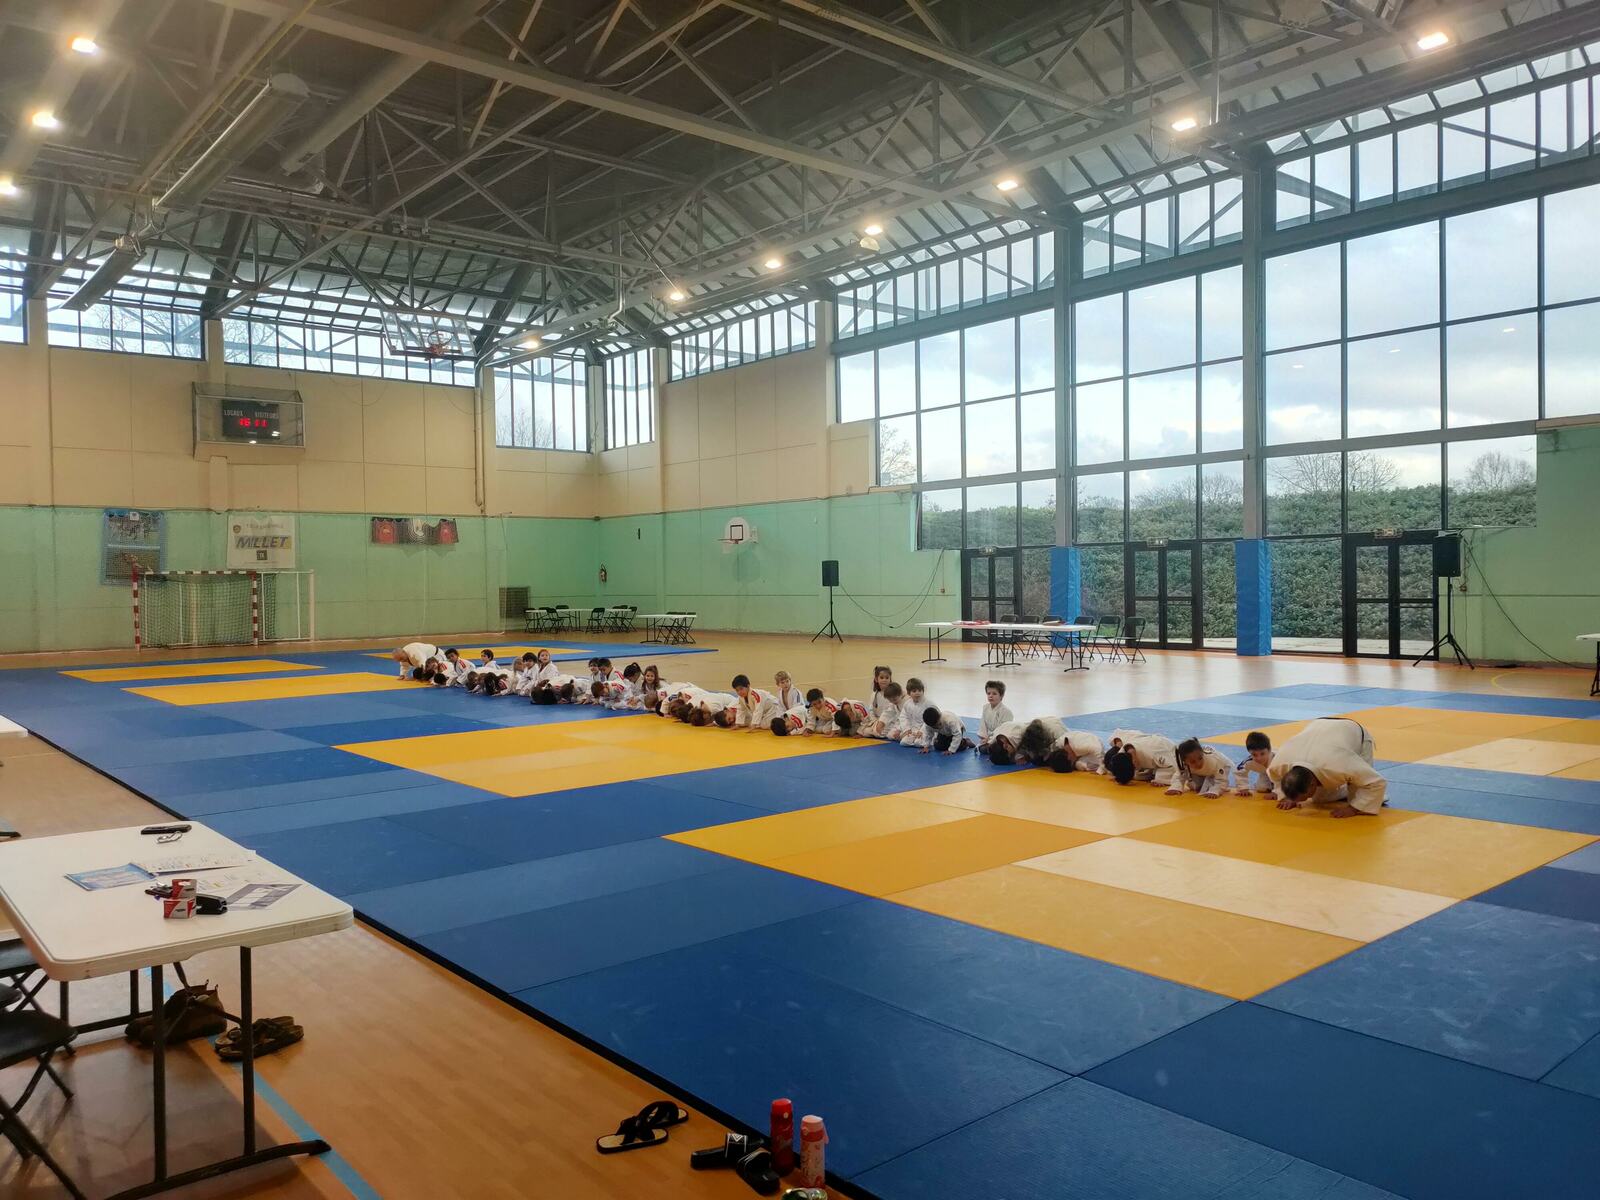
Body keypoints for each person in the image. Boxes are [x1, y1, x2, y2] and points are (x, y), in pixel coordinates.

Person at [1268, 718, 1386, 817]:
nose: (1303, 801)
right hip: (1319, 726)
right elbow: (1275, 777)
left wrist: (1353, 809)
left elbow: (1375, 782)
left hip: (1352, 731)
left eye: (1306, 796)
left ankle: (1350, 789)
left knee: (1357, 794)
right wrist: (1287, 797)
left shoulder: (1340, 764)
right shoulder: (1280, 763)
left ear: (1312, 784)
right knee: (1319, 799)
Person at [1017, 717, 1104, 774]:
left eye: (1072, 762)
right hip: (1070, 745)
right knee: (1039, 760)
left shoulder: (1080, 745)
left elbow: (1098, 749)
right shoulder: (1057, 745)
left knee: (1080, 764)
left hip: (1093, 746)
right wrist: (1023, 756)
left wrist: (1101, 769)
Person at [1101, 730, 1178, 787]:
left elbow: (1172, 765)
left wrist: (1161, 779)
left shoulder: (1155, 754)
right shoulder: (1121, 753)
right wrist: (1118, 775)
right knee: (1137, 776)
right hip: (1145, 749)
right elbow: (1119, 735)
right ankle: (1150, 772)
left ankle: (1157, 775)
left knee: (1158, 778)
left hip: (1166, 747)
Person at [1233, 731, 1275, 795]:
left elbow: (1285, 774)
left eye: (1262, 754)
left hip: (1282, 774)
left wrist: (1276, 792)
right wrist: (1243, 788)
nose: (1259, 758)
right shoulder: (1249, 761)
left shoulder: (1277, 759)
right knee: (1261, 788)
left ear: (1269, 750)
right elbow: (1239, 771)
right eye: (1254, 755)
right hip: (1265, 772)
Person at [977, 680, 1014, 749]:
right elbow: (983, 725)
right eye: (988, 693)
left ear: (1001, 696)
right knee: (981, 748)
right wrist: (984, 737)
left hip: (1001, 738)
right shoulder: (985, 707)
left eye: (994, 694)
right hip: (989, 738)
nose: (991, 696)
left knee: (991, 749)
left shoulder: (1006, 711)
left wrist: (990, 740)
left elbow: (1002, 731)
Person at [898, 678, 931, 748]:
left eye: (920, 690)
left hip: (926, 730)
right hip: (913, 730)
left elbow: (930, 720)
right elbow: (903, 717)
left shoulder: (928, 704)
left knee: (917, 743)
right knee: (903, 742)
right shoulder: (907, 704)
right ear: (909, 693)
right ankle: (915, 739)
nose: (917, 693)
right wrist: (907, 729)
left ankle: (929, 741)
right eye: (914, 691)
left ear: (923, 691)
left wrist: (922, 731)